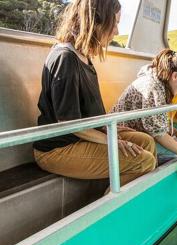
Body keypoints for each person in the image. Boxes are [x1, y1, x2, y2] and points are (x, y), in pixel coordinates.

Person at [33, 0, 157, 187]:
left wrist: (112, 130)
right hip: (58, 149)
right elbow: (69, 123)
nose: (116, 31)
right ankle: (112, 211)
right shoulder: (65, 58)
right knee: (144, 160)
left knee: (145, 141)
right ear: (96, 21)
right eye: (114, 23)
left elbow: (89, 112)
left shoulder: (84, 57)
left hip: (80, 137)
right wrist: (111, 141)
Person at [112, 49, 177, 177]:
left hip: (140, 134)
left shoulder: (160, 82)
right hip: (121, 136)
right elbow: (158, 133)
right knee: (176, 154)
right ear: (175, 76)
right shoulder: (153, 88)